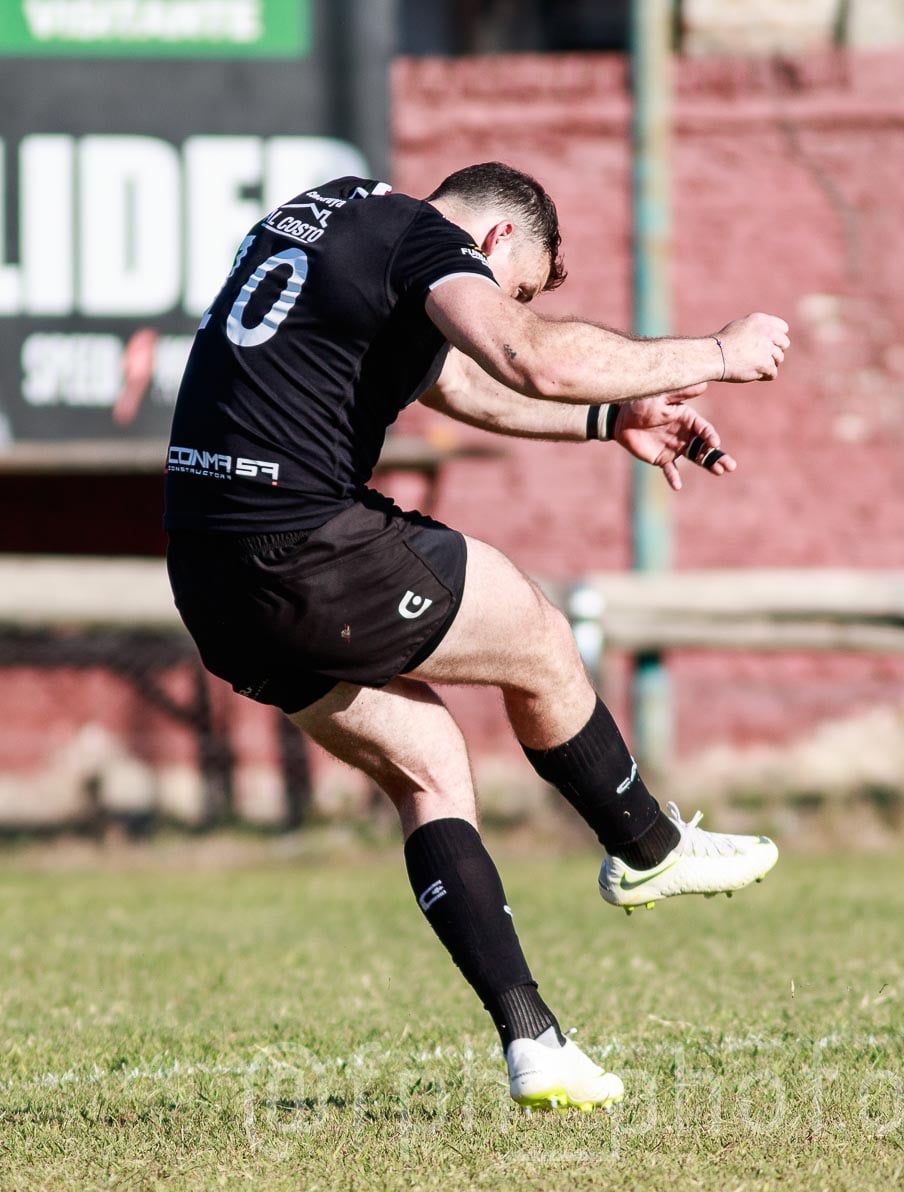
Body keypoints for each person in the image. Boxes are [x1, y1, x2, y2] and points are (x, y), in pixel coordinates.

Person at [164, 162, 788, 1112]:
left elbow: (455, 376)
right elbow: (529, 358)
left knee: (430, 772)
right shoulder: (427, 239)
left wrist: (607, 418)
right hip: (304, 543)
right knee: (538, 636)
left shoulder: (338, 214)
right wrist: (716, 351)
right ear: (494, 242)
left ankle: (535, 1041)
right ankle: (648, 846)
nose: (509, 305)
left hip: (209, 575)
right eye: (519, 288)